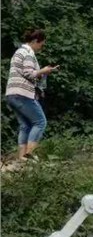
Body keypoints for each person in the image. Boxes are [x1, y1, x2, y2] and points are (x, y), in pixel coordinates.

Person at [5, 29, 59, 163]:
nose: (42, 47)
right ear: (35, 41)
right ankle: (29, 156)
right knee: (40, 122)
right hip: (22, 94)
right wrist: (44, 71)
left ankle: (22, 159)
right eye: (42, 44)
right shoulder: (28, 52)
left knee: (25, 125)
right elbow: (29, 73)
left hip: (12, 93)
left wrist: (43, 72)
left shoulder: (19, 51)